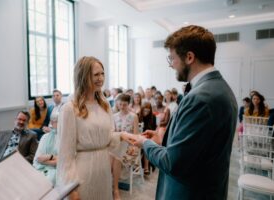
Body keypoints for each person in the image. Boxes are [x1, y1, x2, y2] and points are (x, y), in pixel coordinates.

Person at [127, 25, 238, 200]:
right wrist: (161, 139)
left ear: (189, 57)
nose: (171, 65)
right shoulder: (218, 87)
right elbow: (197, 146)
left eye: (172, 58)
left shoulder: (201, 97)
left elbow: (173, 163)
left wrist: (144, 144)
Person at [56, 56, 132, 200]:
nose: (101, 78)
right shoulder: (69, 109)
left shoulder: (105, 105)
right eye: (96, 74)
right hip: (83, 173)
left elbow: (108, 139)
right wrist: (71, 188)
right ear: (83, 77)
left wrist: (121, 136)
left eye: (102, 73)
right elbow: (66, 154)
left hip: (103, 171)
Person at [110, 93, 139, 200]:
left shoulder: (134, 116)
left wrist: (133, 146)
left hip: (130, 146)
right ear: (117, 104)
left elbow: (136, 136)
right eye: (120, 104)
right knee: (108, 155)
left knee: (116, 157)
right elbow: (112, 133)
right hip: (116, 144)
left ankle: (115, 189)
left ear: (129, 104)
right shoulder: (114, 116)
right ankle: (108, 185)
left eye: (125, 105)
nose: (122, 107)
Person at [33, 112, 59, 185]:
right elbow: (37, 159)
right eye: (55, 121)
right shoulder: (45, 137)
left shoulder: (67, 138)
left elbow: (63, 162)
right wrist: (54, 159)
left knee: (50, 180)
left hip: (58, 171)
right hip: (41, 169)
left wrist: (49, 157)